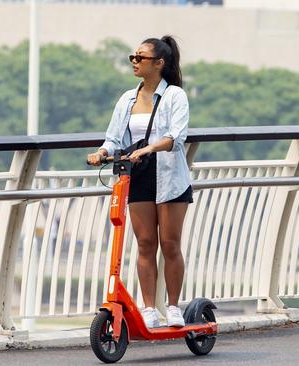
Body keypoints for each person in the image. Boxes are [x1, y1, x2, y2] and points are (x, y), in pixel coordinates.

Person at [87, 35, 192, 327]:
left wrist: (148, 147)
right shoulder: (127, 99)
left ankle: (172, 306)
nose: (134, 62)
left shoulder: (174, 96)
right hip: (139, 173)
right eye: (133, 57)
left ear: (159, 63)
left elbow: (176, 137)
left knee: (169, 244)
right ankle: (148, 308)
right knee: (145, 243)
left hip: (170, 175)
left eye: (140, 58)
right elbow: (113, 137)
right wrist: (102, 152)